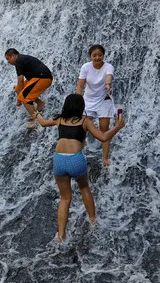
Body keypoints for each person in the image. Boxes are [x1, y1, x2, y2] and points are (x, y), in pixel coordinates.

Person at [34, 94, 125, 242]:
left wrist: (37, 113)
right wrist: (118, 127)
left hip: (58, 159)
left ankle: (61, 235)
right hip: (75, 159)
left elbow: (43, 123)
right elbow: (103, 137)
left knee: (65, 198)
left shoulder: (60, 119)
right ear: (81, 107)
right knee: (84, 188)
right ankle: (93, 221)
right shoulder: (85, 121)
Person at [75, 45, 116, 166]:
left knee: (104, 129)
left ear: (103, 55)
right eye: (94, 55)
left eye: (100, 55)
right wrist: (77, 100)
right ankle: (77, 154)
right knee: (82, 128)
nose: (97, 57)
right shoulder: (86, 67)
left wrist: (108, 85)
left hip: (104, 100)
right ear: (90, 56)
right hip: (88, 100)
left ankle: (105, 158)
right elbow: (80, 85)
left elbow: (109, 76)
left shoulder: (108, 67)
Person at [4, 48, 53, 128]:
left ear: (13, 56)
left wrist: (19, 99)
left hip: (43, 78)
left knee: (24, 97)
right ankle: (40, 103)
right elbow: (20, 83)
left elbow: (20, 80)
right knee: (17, 89)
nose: (8, 62)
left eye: (8, 59)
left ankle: (36, 120)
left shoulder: (19, 61)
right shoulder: (20, 59)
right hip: (38, 78)